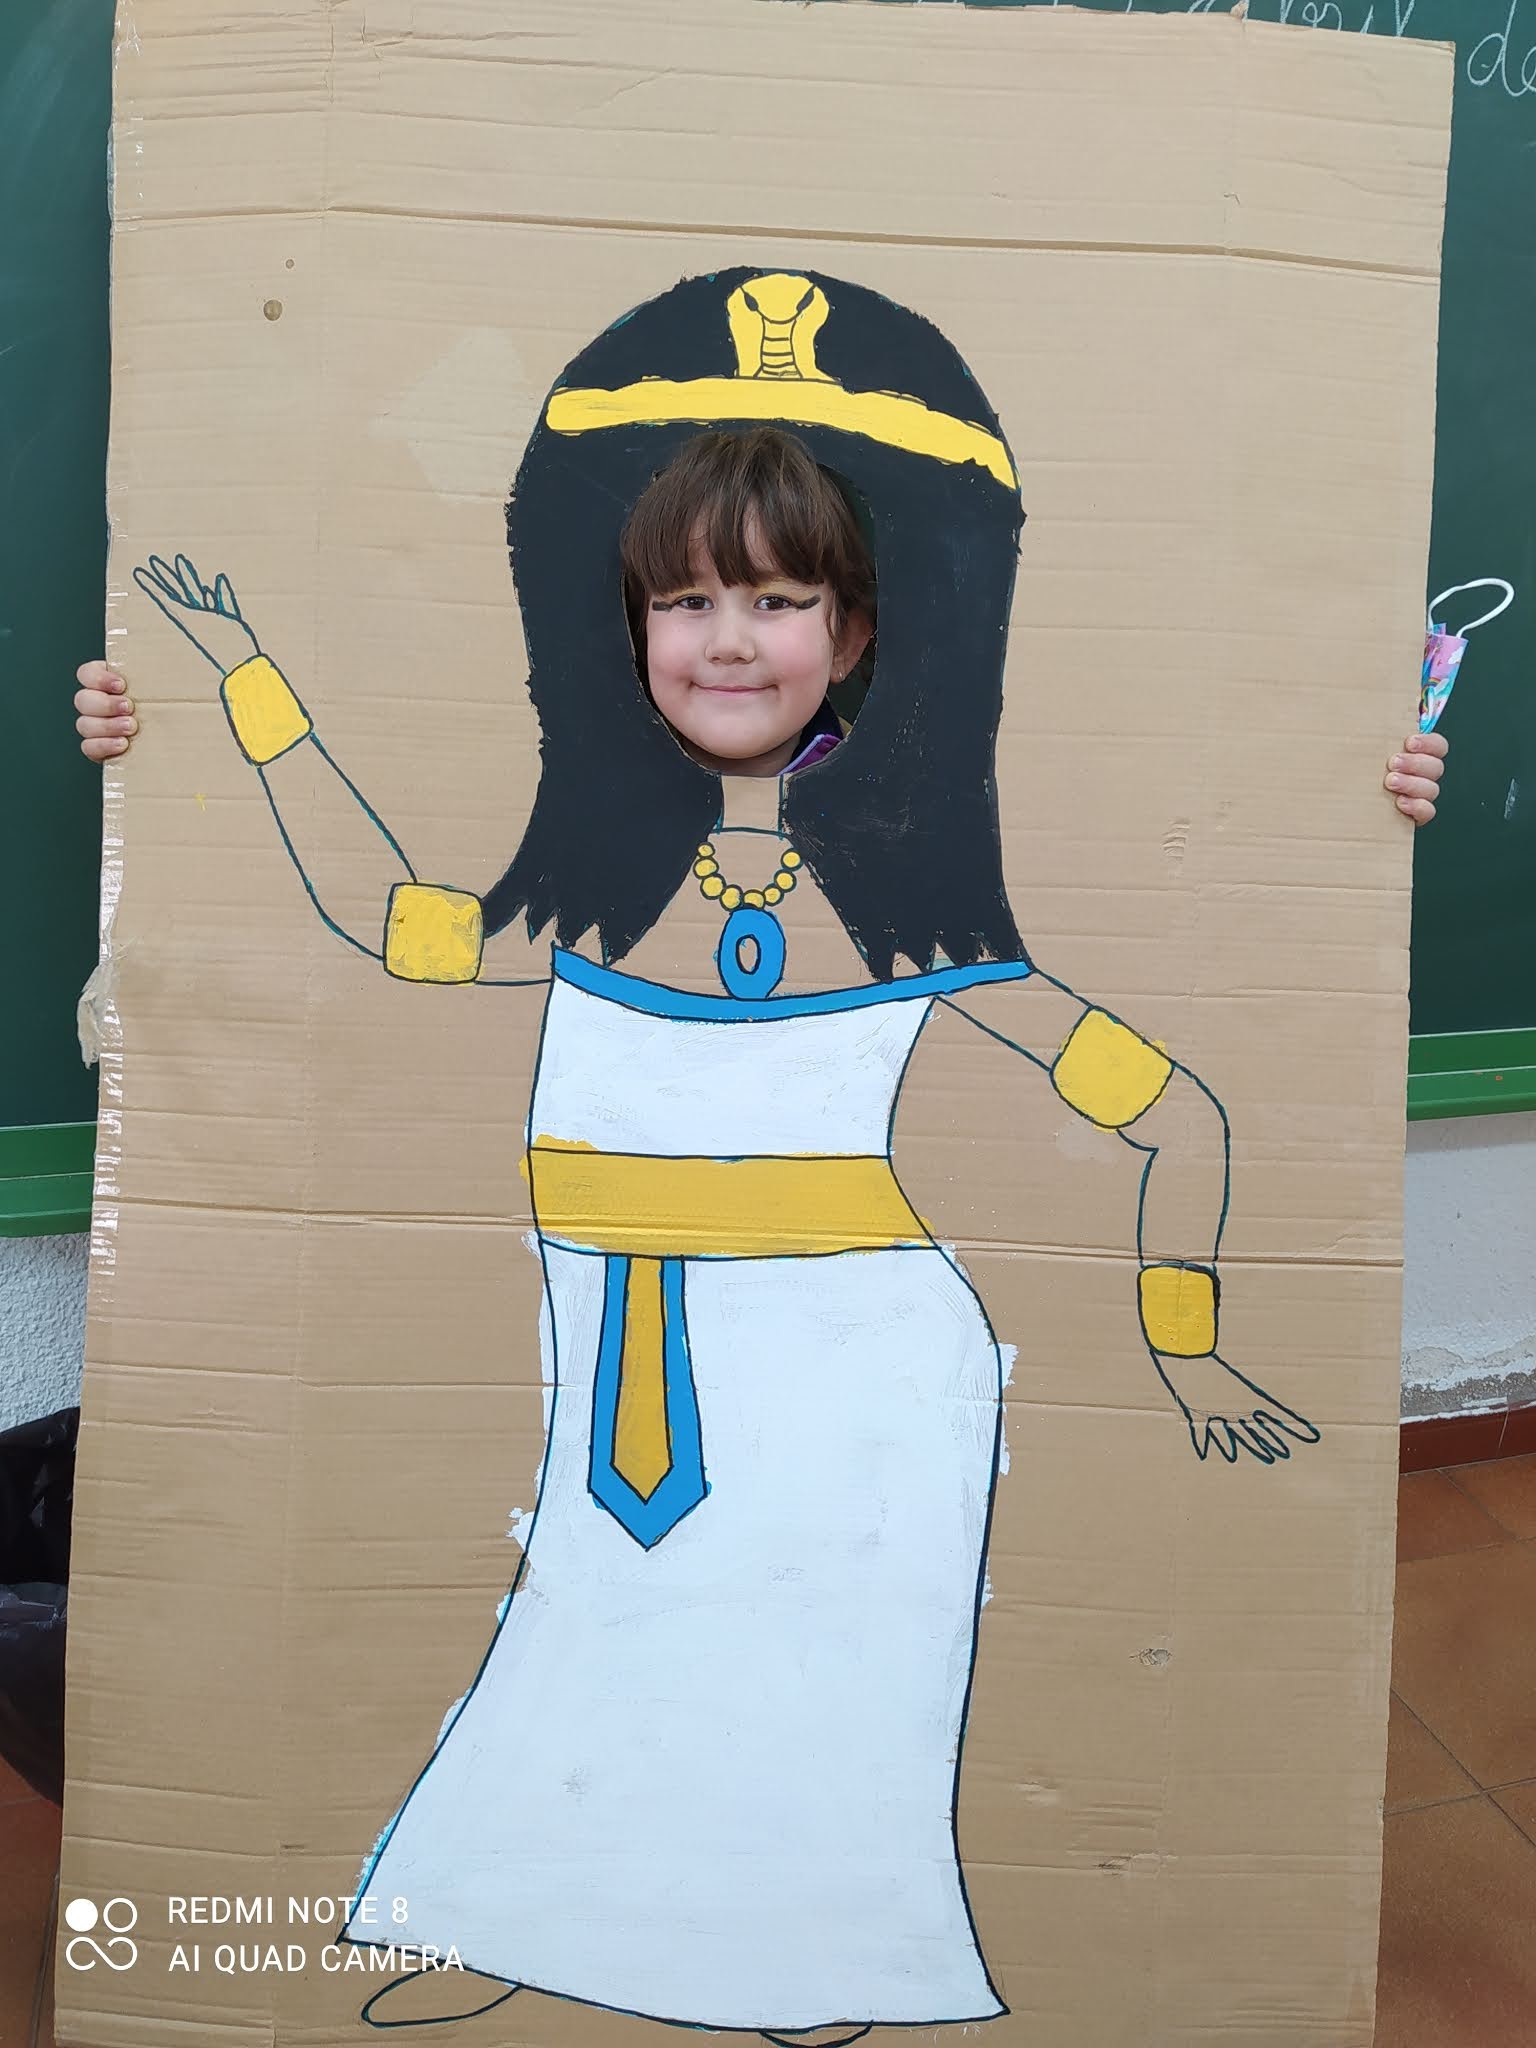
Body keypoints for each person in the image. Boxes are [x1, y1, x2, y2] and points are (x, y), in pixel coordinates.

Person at [61, 271, 1446, 2038]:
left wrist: (1358, 815)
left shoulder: (920, 911)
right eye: (690, 598)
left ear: (852, 636)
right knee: (590, 1625)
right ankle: (538, 1925)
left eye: (781, 599)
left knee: (828, 1674)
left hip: (861, 1367)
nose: (732, 638)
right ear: (630, 629)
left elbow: (1184, 1108)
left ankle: (815, 1968)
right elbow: (379, 914)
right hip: (629, 1330)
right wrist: (217, 697)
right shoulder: (583, 898)